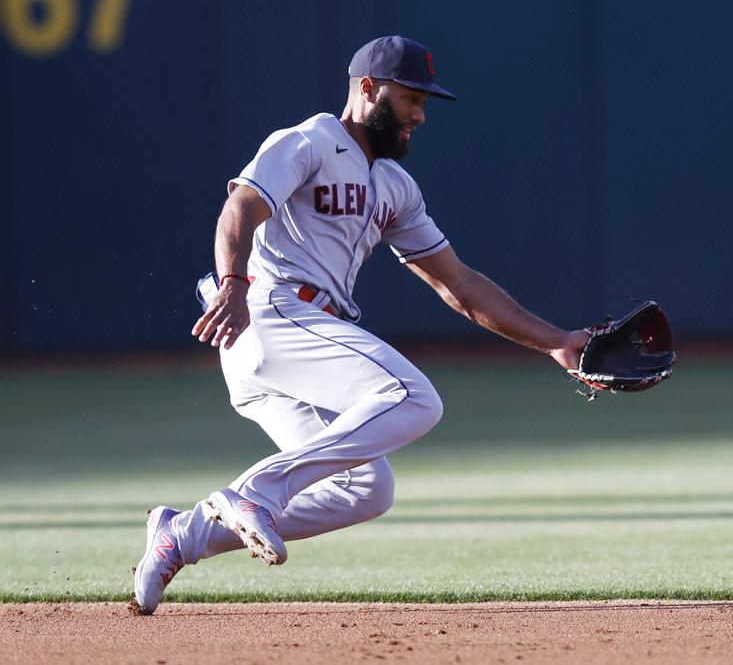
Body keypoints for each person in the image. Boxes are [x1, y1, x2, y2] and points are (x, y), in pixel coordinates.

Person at [130, 35, 589, 615]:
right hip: (270, 311)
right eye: (410, 99)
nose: (419, 115)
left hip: (291, 346)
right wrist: (233, 285)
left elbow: (461, 286)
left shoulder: (395, 187)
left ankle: (182, 535)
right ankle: (256, 492)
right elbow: (241, 208)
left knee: (367, 489)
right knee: (412, 398)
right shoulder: (310, 141)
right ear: (368, 89)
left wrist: (556, 343)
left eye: (425, 103)